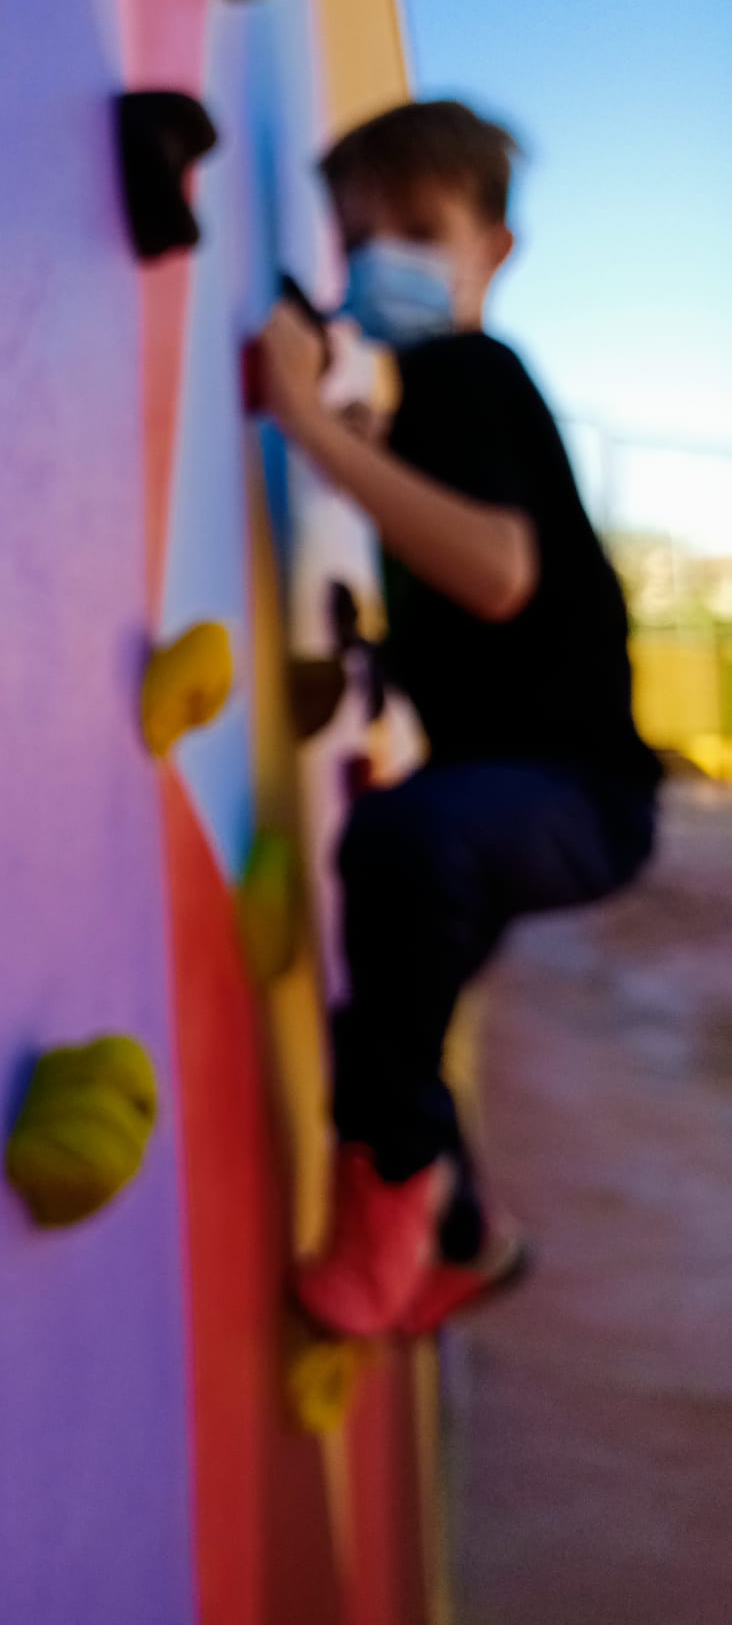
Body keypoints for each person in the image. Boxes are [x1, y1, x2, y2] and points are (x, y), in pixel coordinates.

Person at [257, 99, 660, 1338]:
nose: (383, 258)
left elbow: (497, 572)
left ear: (498, 248)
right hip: (522, 790)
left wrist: (309, 427)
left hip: (576, 794)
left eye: (422, 231)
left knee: (400, 843)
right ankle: (470, 1236)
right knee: (390, 1004)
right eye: (358, 236)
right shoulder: (429, 398)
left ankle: (390, 1211)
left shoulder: (472, 372)